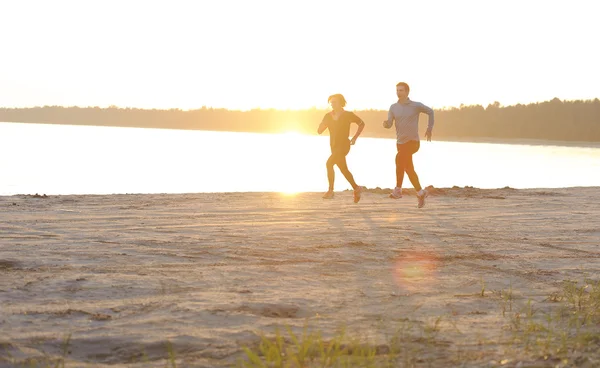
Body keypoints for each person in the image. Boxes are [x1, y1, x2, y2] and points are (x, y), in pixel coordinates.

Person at [383, 82, 434, 208]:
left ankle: (398, 190)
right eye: (397, 90)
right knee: (408, 168)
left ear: (407, 92)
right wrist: (386, 124)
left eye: (401, 90)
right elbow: (390, 123)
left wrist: (429, 129)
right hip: (400, 143)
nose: (398, 92)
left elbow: (430, 112)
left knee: (399, 159)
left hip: (413, 142)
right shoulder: (393, 107)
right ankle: (421, 192)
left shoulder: (415, 106)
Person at [318, 94, 365, 203]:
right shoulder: (328, 116)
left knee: (329, 164)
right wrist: (322, 125)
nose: (332, 104)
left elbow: (362, 124)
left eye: (334, 102)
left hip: (344, 145)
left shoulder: (348, 115)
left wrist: (355, 138)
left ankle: (330, 191)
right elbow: (319, 131)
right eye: (331, 102)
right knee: (343, 169)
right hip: (333, 146)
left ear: (340, 103)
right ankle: (356, 188)